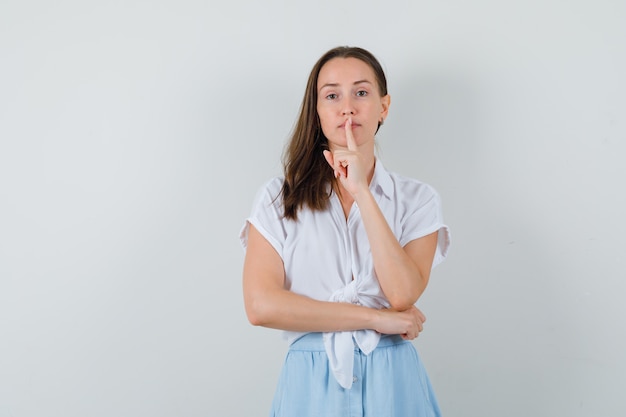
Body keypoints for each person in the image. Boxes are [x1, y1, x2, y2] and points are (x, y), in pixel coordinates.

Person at [240, 46, 451, 417]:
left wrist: (363, 194)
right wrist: (374, 318)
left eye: (362, 92)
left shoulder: (418, 199)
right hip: (310, 382)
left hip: (393, 381)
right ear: (317, 110)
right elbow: (261, 306)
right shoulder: (278, 197)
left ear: (384, 107)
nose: (347, 107)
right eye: (332, 95)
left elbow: (402, 293)